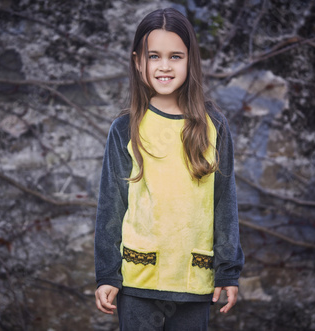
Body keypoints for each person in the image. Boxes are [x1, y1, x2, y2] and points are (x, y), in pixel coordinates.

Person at [94, 7, 244, 330]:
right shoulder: (124, 129)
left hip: (194, 282)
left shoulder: (214, 126)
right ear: (138, 61)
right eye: (154, 56)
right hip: (138, 284)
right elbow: (111, 206)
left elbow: (225, 204)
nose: (164, 66)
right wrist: (107, 274)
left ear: (191, 61)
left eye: (175, 56)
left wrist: (228, 270)